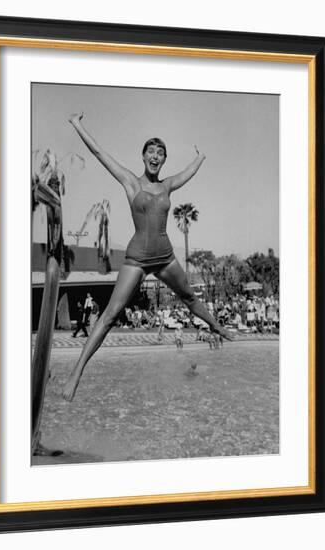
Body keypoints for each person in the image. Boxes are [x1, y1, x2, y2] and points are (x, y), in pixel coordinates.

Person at [63, 112, 232, 401]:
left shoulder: (166, 185)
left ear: (163, 160)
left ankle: (217, 325)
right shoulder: (130, 181)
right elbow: (99, 152)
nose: (156, 156)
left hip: (165, 256)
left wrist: (200, 157)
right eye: (151, 151)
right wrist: (78, 124)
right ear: (143, 156)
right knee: (110, 315)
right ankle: (76, 372)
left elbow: (187, 174)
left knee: (190, 297)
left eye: (161, 153)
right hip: (138, 258)